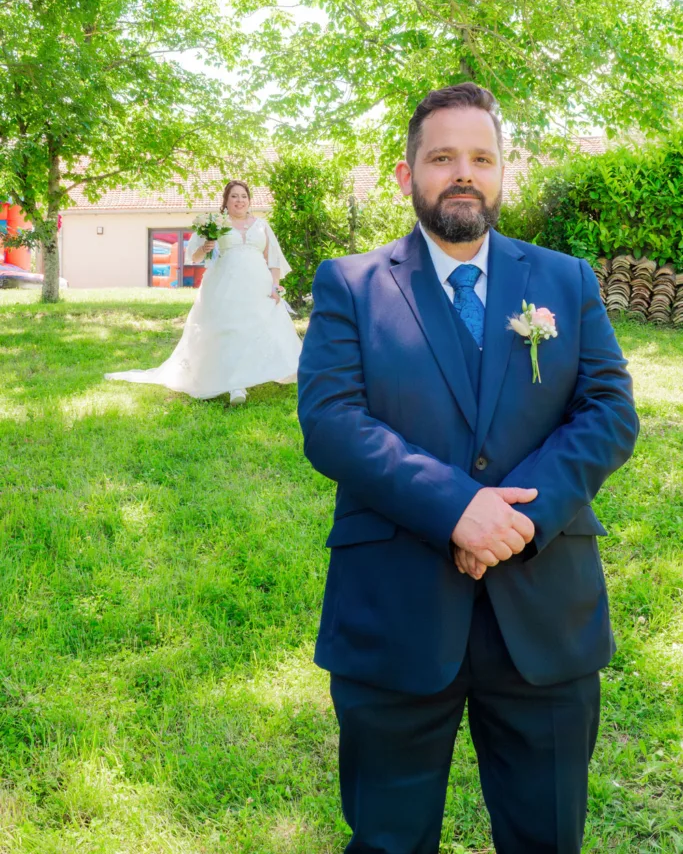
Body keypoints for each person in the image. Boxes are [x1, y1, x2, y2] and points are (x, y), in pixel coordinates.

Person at [297, 84, 639, 854]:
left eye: (481, 158)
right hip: (394, 612)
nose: (463, 173)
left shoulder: (565, 280)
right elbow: (331, 422)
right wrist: (457, 508)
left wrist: (517, 519)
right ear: (405, 174)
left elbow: (609, 412)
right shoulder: (350, 284)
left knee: (546, 837)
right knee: (388, 841)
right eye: (442, 158)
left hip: (543, 611)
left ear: (502, 171)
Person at [106, 179, 301, 404]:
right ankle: (236, 386)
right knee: (229, 330)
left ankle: (267, 371)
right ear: (226, 201)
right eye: (234, 196)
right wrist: (205, 246)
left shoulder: (261, 225)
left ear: (249, 200)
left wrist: (275, 286)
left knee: (261, 327)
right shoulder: (215, 224)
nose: (239, 200)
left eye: (244, 196)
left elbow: (273, 259)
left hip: (258, 284)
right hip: (226, 283)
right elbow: (195, 257)